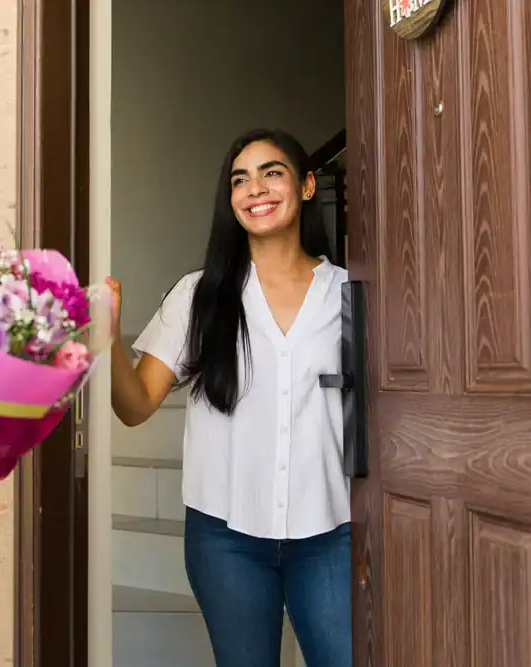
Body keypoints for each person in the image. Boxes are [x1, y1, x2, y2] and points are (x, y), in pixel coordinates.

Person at [108, 128, 353, 667]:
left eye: (273, 173)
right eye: (240, 179)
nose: (255, 189)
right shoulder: (200, 295)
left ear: (308, 186)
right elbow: (134, 406)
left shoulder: (349, 292)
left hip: (330, 530)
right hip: (226, 537)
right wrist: (106, 338)